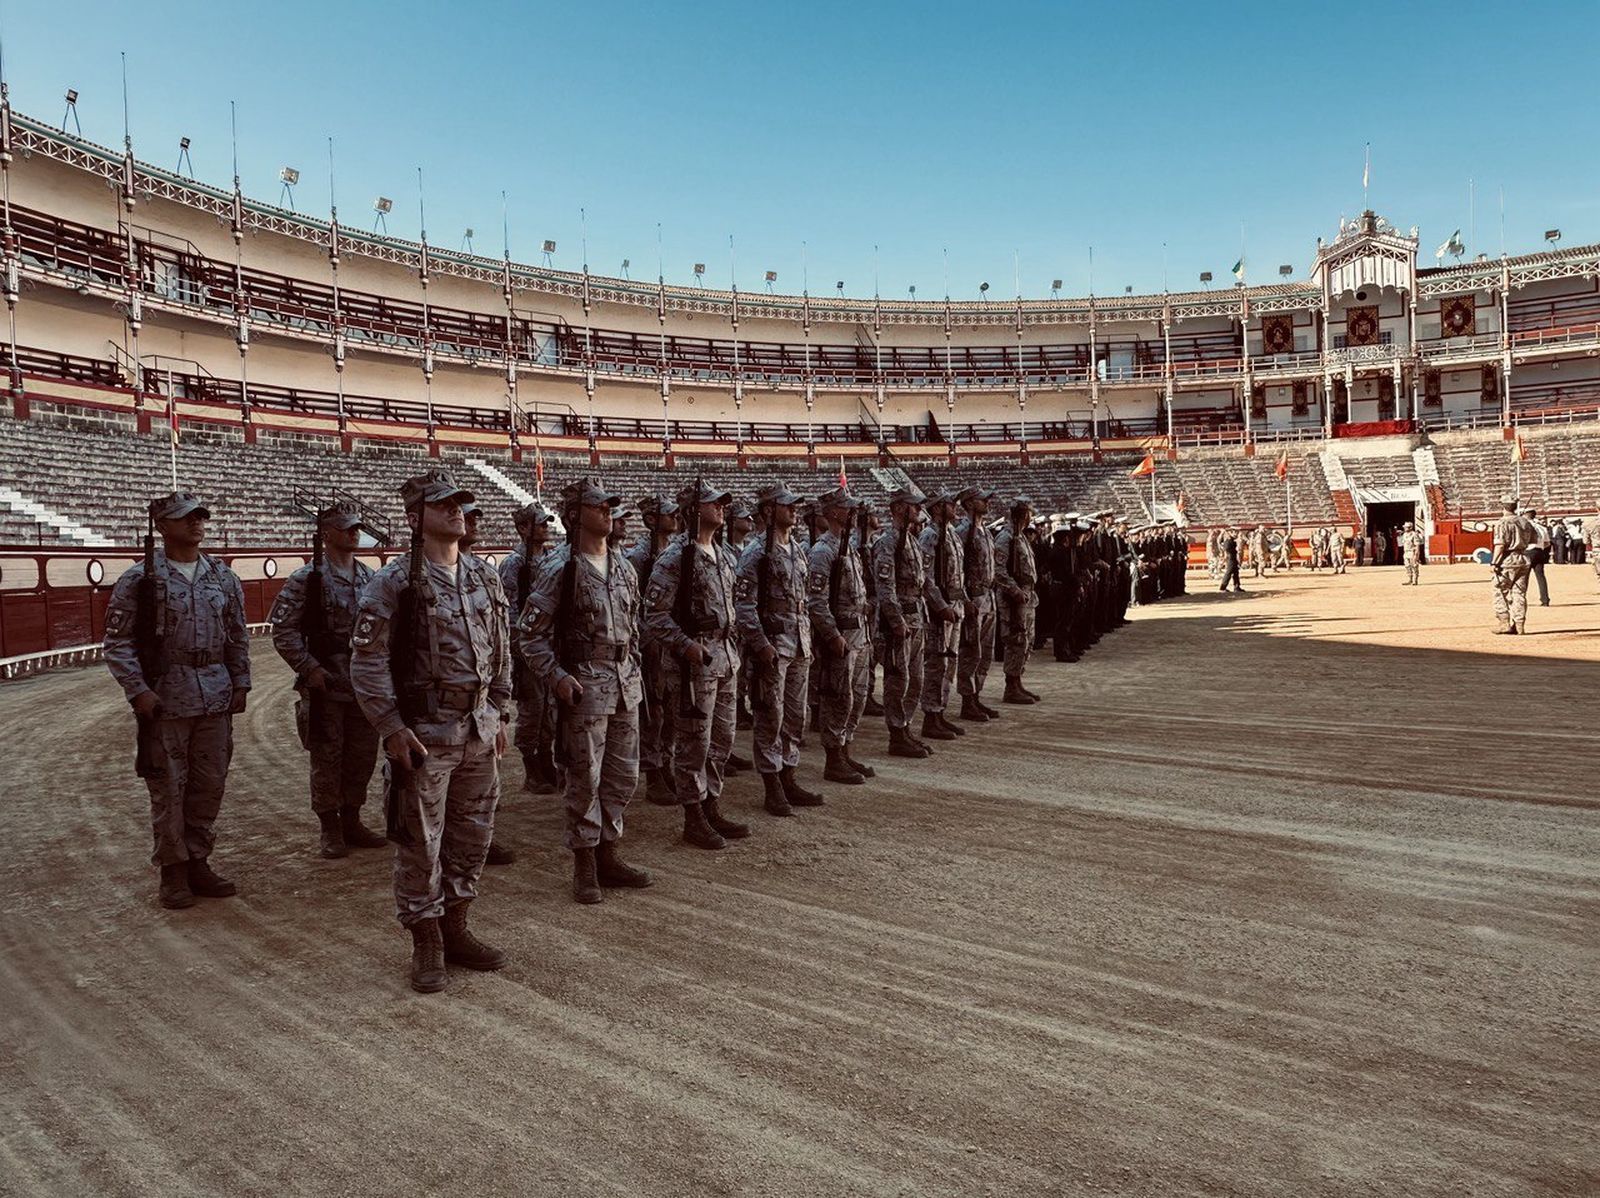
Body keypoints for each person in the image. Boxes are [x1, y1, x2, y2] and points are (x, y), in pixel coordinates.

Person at [348, 469, 512, 994]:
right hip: (425, 735)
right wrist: (392, 728)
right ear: (416, 518)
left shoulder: (484, 577)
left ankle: (456, 926)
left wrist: (500, 710)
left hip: (478, 729)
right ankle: (426, 940)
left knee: (473, 836)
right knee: (421, 842)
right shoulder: (393, 582)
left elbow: (501, 651)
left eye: (459, 504)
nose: (456, 512)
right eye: (443, 506)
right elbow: (367, 662)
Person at [103, 492, 251, 910]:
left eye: (201, 517)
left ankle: (198, 859)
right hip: (167, 695)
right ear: (162, 526)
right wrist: (139, 690)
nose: (197, 524)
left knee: (209, 784)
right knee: (169, 787)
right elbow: (117, 644)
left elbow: (237, 635)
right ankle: (173, 870)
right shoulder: (140, 579)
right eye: (185, 518)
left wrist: (241, 682)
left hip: (215, 693)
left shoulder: (223, 577)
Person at [517, 478, 652, 904]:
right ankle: (585, 863)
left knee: (622, 775)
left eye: (610, 506)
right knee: (584, 778)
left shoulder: (624, 566)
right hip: (584, 689)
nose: (608, 513)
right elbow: (530, 635)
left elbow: (636, 626)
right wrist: (556, 677)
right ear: (574, 515)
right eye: (599, 507)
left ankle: (609, 852)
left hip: (625, 685)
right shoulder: (560, 568)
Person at [269, 500, 385, 859]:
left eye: (357, 527)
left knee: (362, 756)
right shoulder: (307, 579)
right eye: (347, 527)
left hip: (362, 682)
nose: (355, 532)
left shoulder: (369, 576)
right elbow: (283, 631)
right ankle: (329, 826)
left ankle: (352, 818)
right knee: (327, 757)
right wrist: (309, 669)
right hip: (325, 683)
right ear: (326, 534)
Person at [643, 480, 750, 850]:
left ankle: (711, 804)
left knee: (722, 738)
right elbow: (654, 615)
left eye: (721, 502)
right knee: (694, 743)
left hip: (725, 656)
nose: (720, 507)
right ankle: (693, 816)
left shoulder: (722, 555)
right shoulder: (675, 558)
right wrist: (685, 646)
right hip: (695, 662)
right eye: (711, 503)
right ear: (693, 510)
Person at [736, 480, 827, 816]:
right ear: (768, 510)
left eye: (794, 504)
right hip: (773, 648)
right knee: (769, 717)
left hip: (799, 645)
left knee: (795, 716)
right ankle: (772, 785)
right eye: (787, 504)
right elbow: (743, 606)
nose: (794, 509)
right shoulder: (756, 552)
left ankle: (789, 775)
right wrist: (760, 646)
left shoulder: (798, 549)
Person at [808, 487, 874, 785]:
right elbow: (816, 601)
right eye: (847, 508)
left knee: (857, 697)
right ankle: (833, 759)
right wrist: (832, 636)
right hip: (842, 635)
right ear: (834, 512)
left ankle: (845, 750)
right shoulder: (823, 550)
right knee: (839, 698)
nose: (853, 513)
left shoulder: (848, 547)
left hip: (859, 633)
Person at [498, 501, 558, 807]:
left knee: (551, 707)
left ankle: (547, 759)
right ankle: (532, 766)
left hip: (552, 646)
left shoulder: (551, 558)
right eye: (540, 523)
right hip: (528, 646)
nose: (546, 528)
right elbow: (510, 610)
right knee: (533, 708)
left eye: (547, 523)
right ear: (523, 529)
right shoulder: (514, 564)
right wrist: (521, 648)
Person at [626, 494, 682, 805]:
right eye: (668, 513)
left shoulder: (675, 553)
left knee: (671, 711)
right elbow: (634, 607)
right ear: (650, 520)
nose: (675, 517)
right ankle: (653, 772)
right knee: (654, 712)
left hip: (672, 644)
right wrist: (647, 642)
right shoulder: (639, 558)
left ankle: (666, 762)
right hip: (652, 647)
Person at [874, 485, 936, 754]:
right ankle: (896, 734)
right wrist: (896, 621)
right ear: (899, 508)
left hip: (916, 616)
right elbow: (885, 587)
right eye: (914, 505)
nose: (919, 509)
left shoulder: (910, 539)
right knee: (898, 678)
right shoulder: (887, 542)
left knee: (916, 679)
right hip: (901, 621)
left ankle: (906, 726)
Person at [917, 490, 967, 743]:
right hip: (940, 611)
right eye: (950, 503)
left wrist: (964, 601)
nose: (955, 506)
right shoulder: (930, 535)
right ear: (937, 508)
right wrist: (939, 606)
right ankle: (930, 716)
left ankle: (940, 711)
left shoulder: (952, 535)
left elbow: (958, 574)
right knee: (936, 663)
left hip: (954, 607)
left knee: (949, 663)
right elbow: (925, 577)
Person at [954, 485, 1001, 720]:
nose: (987, 503)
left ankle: (976, 697)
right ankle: (967, 700)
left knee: (985, 654)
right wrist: (964, 599)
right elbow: (956, 571)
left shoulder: (985, 532)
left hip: (988, 598)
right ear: (970, 504)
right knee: (971, 652)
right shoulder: (963, 532)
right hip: (973, 598)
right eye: (982, 500)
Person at [993, 495, 1041, 705]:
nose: (1031, 517)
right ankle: (1010, 686)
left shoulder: (1019, 537)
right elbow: (999, 571)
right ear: (1022, 514)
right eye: (1029, 512)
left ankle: (1017, 681)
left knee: (1026, 641)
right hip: (1014, 600)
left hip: (1027, 597)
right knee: (1015, 640)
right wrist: (1014, 591)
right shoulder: (1006, 538)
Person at [1489, 493, 1537, 635]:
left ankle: (1504, 623)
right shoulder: (1525, 522)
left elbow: (1500, 545)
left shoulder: (1502, 522)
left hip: (1507, 560)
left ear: (1503, 506)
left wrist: (1494, 562)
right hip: (1523, 558)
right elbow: (1534, 540)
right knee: (1519, 593)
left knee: (1500, 592)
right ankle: (1519, 624)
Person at [1522, 507, 1551, 607]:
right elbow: (1547, 543)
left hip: (1528, 551)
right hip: (1540, 552)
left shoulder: (1524, 526)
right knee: (1541, 576)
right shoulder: (1541, 527)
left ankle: (1521, 599)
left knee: (1523, 577)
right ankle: (1545, 599)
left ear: (1525, 515)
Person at [1218, 527, 1242, 592]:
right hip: (1230, 558)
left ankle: (1237, 587)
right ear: (1230, 533)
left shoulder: (1232, 540)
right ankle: (1223, 587)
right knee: (1228, 573)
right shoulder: (1228, 541)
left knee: (1236, 573)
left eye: (1236, 532)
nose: (1236, 534)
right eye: (1234, 532)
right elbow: (1227, 551)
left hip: (1233, 558)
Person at [1400, 521, 1425, 585]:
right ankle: (1410, 579)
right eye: (1405, 527)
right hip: (1406, 552)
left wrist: (1416, 555)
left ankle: (1415, 580)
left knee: (1414, 566)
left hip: (1412, 552)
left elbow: (1417, 545)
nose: (1405, 528)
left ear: (1410, 528)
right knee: (1407, 566)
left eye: (1406, 527)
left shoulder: (1414, 534)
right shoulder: (1404, 535)